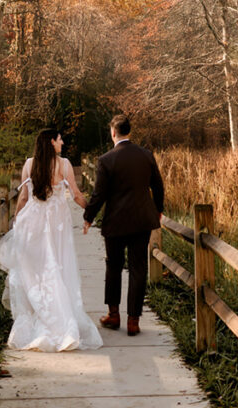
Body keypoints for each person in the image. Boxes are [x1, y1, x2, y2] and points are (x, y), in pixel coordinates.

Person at [0, 129, 102, 351]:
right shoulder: (64, 165)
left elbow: (23, 197)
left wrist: (16, 221)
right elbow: (78, 195)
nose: (62, 142)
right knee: (57, 267)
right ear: (52, 142)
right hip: (55, 226)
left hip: (32, 223)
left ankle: (40, 314)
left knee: (36, 270)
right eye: (59, 139)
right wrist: (91, 212)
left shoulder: (29, 164)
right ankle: (60, 321)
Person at [82, 114, 164, 336]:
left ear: (113, 133)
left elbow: (99, 194)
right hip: (141, 221)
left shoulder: (106, 160)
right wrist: (158, 210)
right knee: (139, 268)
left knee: (114, 267)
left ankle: (114, 315)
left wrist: (88, 216)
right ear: (129, 132)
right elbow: (158, 185)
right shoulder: (146, 155)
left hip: (116, 223)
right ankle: (134, 321)